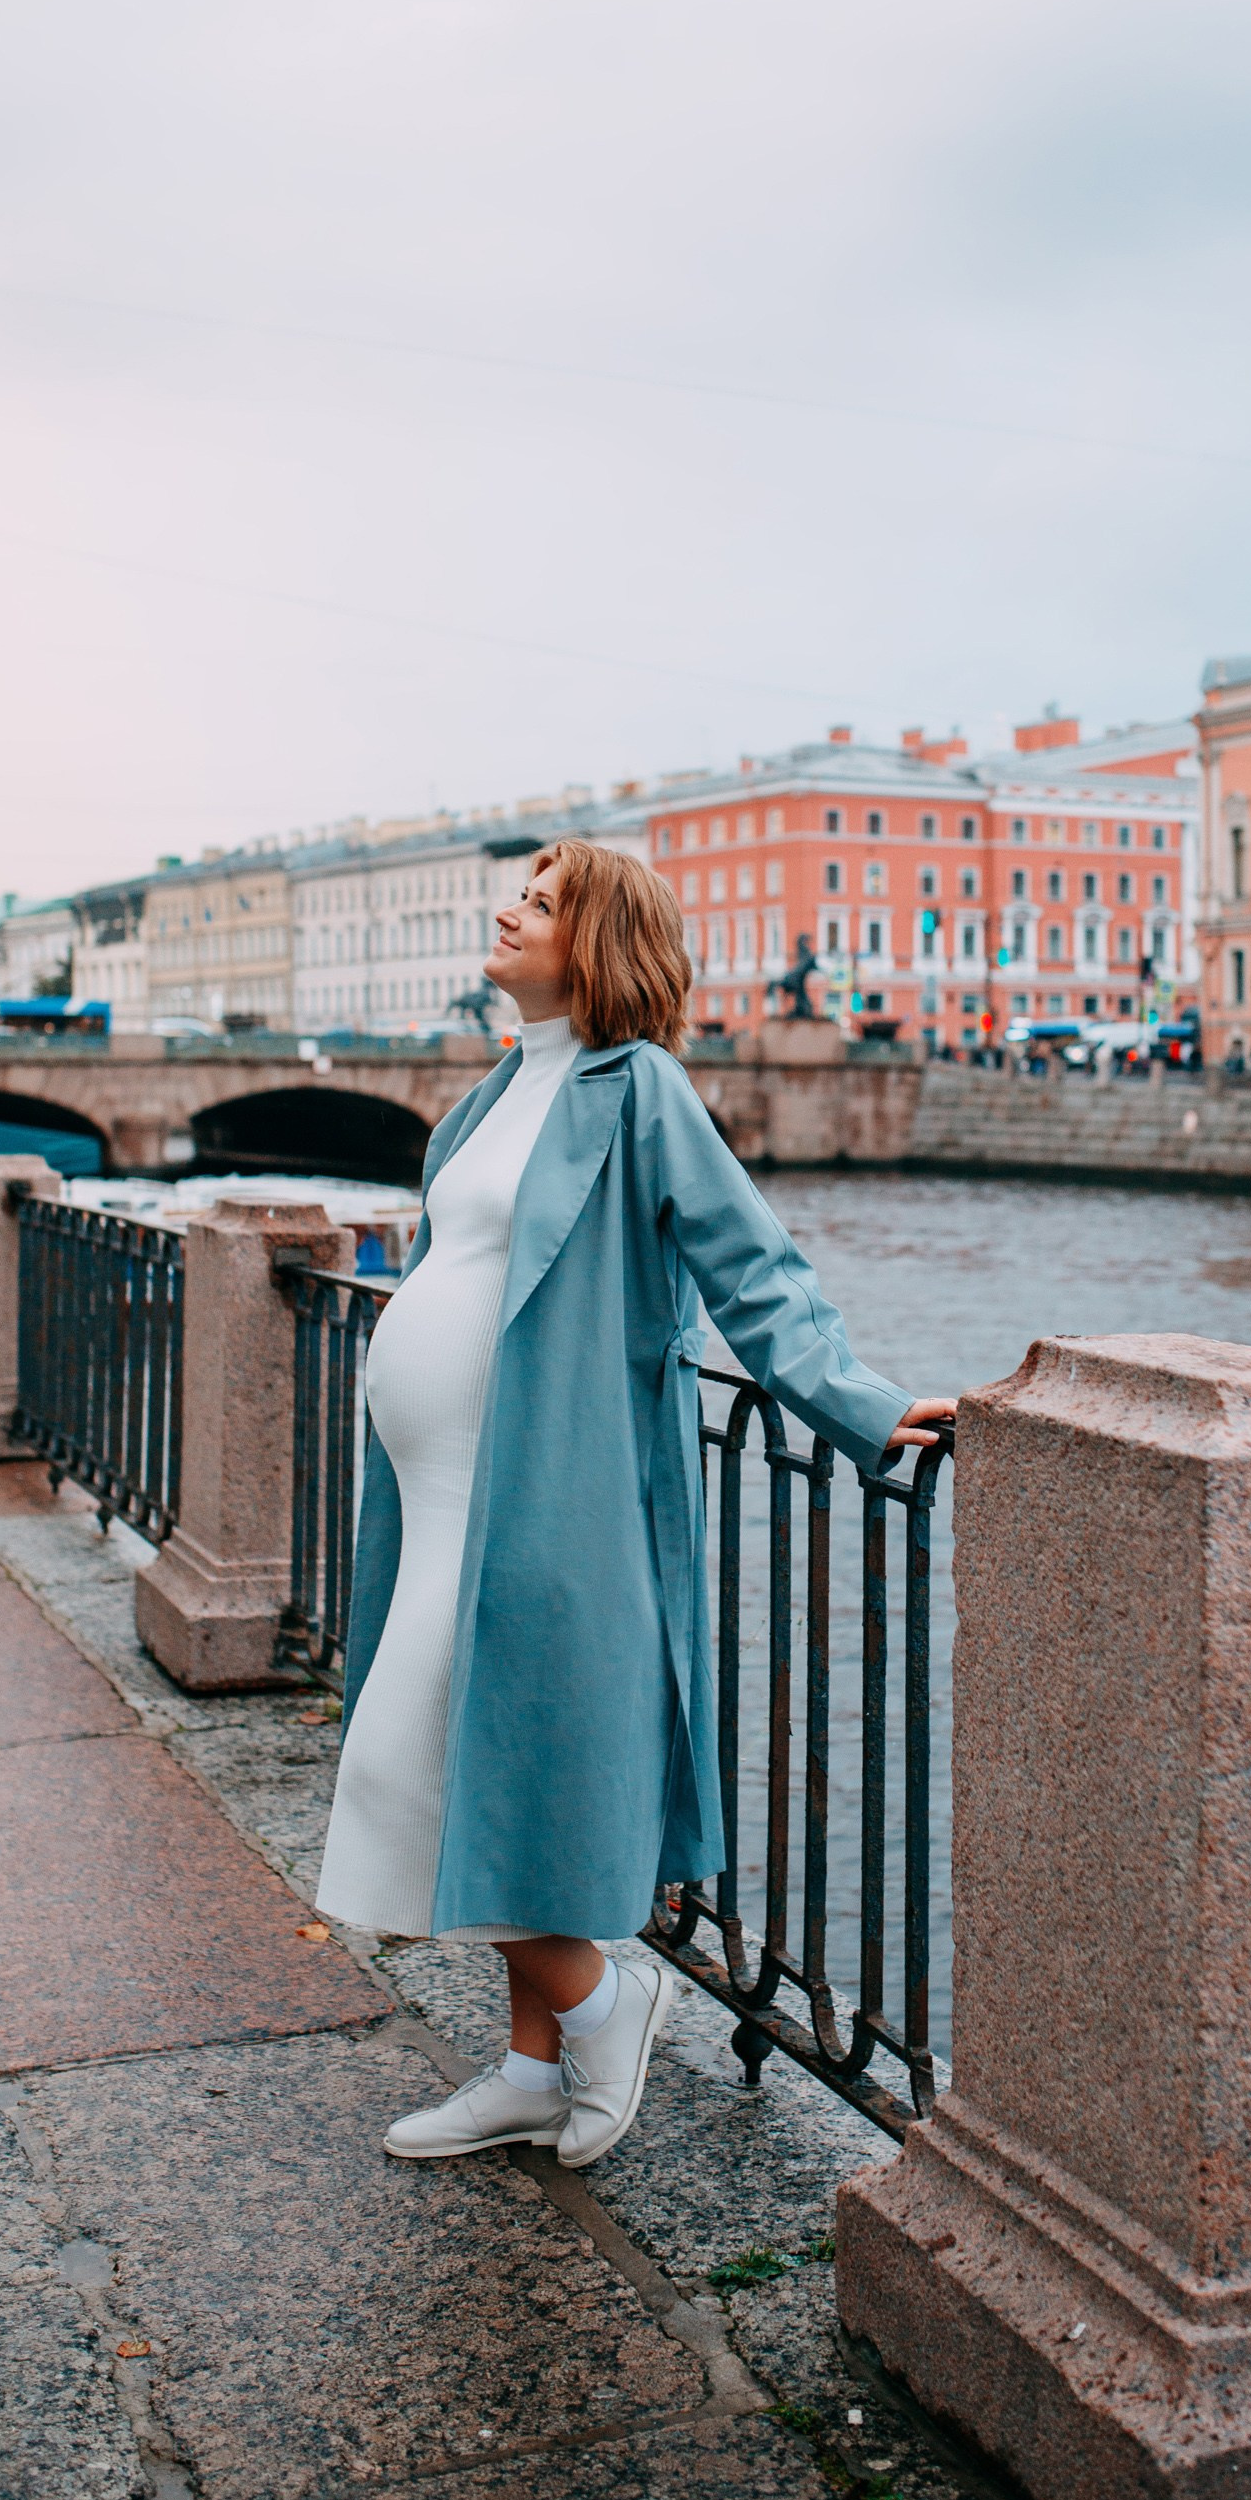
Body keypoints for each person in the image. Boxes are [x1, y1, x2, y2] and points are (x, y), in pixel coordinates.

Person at [314, 840, 953, 2171]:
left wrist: (855, 1397)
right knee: (493, 1775)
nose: (509, 910)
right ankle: (533, 2066)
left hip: (540, 1486)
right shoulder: (495, 1092)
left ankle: (610, 2002)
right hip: (439, 1490)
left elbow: (750, 1260)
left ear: (596, 942)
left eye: (540, 903)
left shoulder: (638, 1089)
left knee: (407, 1772)